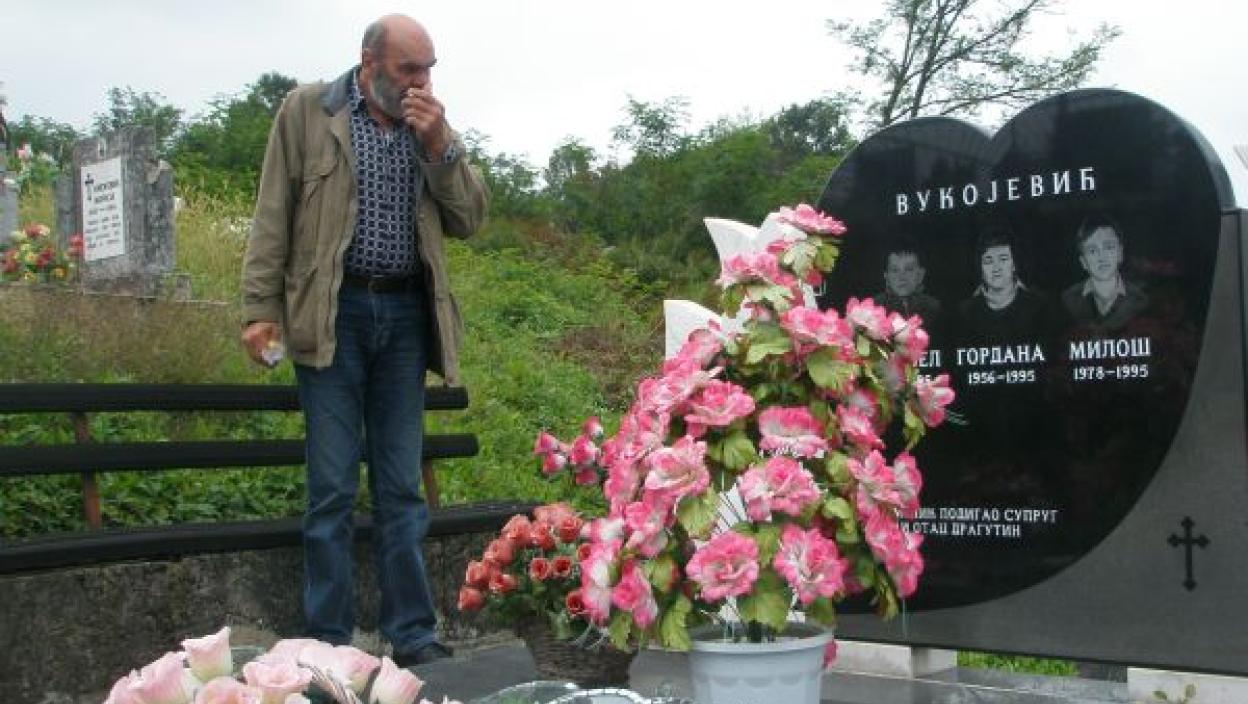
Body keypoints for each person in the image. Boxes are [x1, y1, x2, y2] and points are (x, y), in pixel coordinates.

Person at [240, 14, 488, 667]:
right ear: (369, 61)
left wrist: (440, 147)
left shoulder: (430, 126)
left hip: (405, 316)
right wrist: (259, 310)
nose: (421, 82)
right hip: (333, 314)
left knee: (401, 486)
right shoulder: (307, 112)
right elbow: (272, 215)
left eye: (428, 69)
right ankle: (328, 641)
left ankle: (412, 633)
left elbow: (470, 218)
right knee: (331, 486)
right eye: (409, 69)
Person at [957, 228, 1052, 345]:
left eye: (1003, 259)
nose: (996, 268)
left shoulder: (1038, 307)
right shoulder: (966, 312)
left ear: (1014, 264)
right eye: (988, 261)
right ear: (980, 268)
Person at [1061, 214, 1148, 335]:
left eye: (1108, 247)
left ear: (1120, 253)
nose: (1102, 257)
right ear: (1083, 261)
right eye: (1092, 250)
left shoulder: (1141, 299)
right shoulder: (1067, 300)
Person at [873, 241, 941, 323]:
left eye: (909, 269)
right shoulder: (874, 307)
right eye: (895, 270)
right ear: (886, 276)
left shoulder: (934, 308)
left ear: (920, 274)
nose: (902, 277)